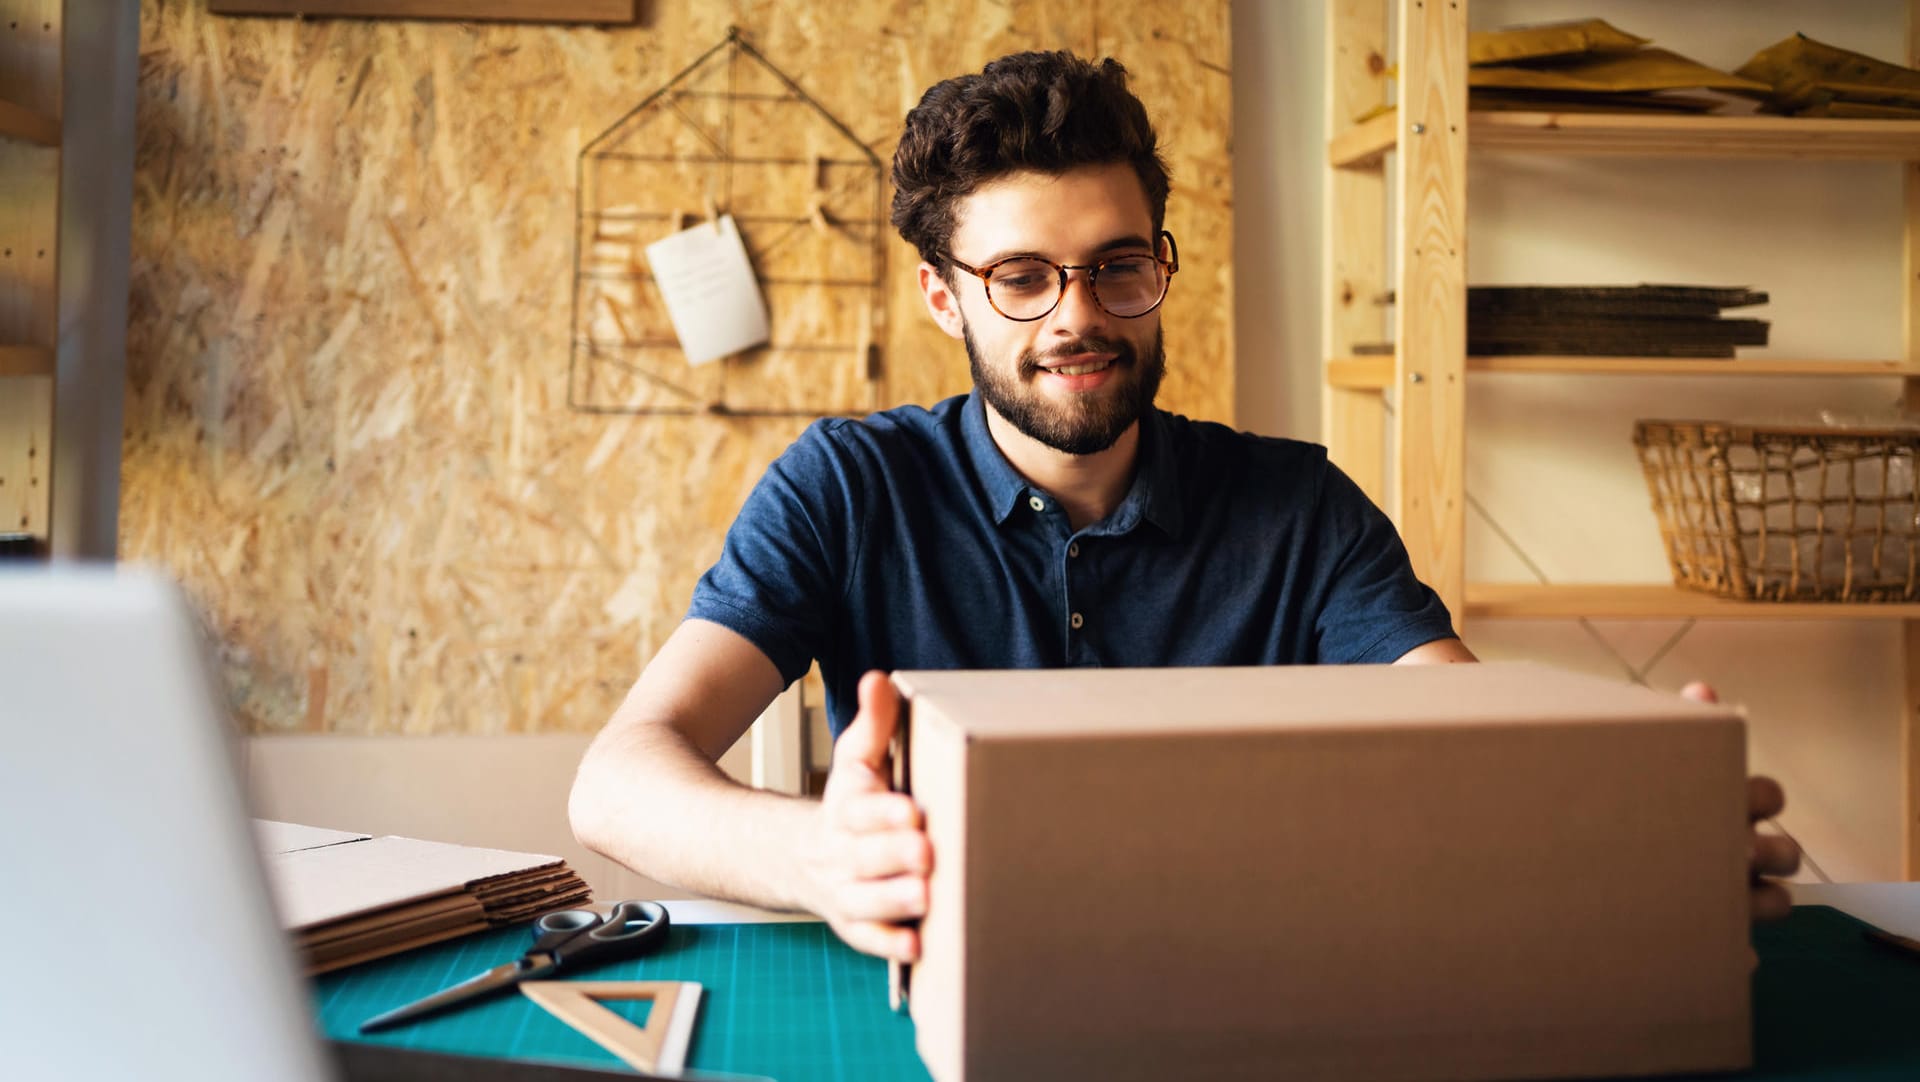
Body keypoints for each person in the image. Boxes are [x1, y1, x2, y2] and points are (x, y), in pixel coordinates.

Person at [570, 51, 1799, 963]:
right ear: (946, 299)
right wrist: (817, 856)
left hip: (1257, 990)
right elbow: (619, 777)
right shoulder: (844, 487)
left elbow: (1464, 726)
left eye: (1117, 264)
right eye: (1019, 277)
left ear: (1158, 264)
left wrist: (1632, 830)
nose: (1079, 315)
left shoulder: (1298, 505)